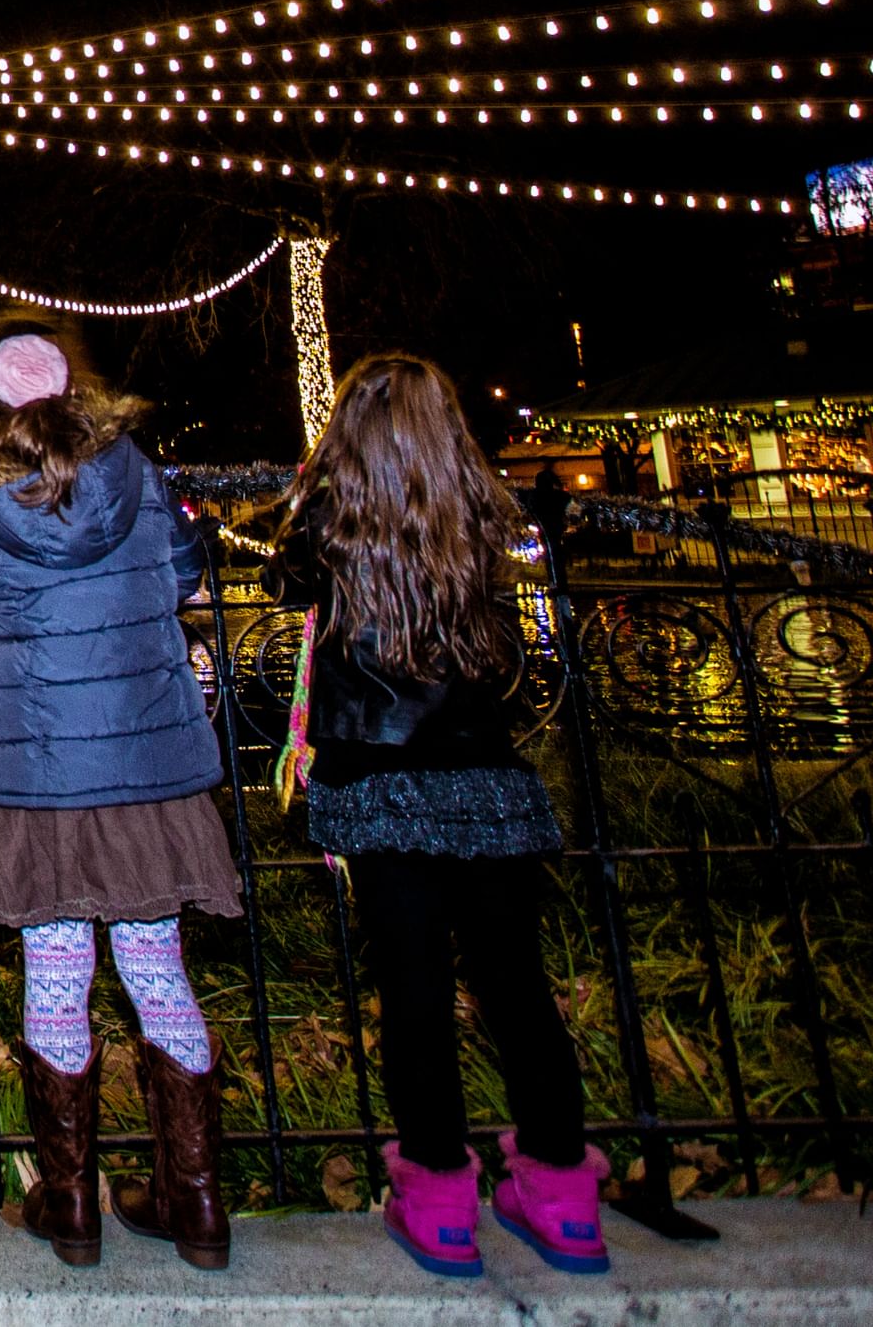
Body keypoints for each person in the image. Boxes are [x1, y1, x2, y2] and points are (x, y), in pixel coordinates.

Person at [266, 353, 605, 1279]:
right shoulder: (477, 514)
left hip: (378, 780)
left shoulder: (330, 522)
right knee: (515, 988)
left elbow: (281, 585)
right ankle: (565, 1192)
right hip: (482, 776)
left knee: (414, 994)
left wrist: (309, 490)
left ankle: (440, 1194)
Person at [0, 314, 239, 1272]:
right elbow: (191, 568)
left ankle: (69, 1206)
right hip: (149, 769)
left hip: (43, 774)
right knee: (160, 973)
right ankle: (196, 1206)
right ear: (79, 388)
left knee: (56, 976)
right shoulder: (139, 471)